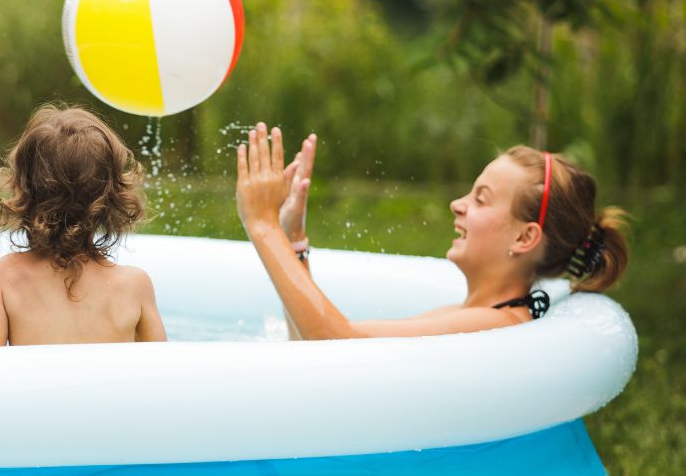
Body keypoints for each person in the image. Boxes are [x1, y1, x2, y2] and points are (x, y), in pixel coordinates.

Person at [235, 122, 629, 339]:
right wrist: (293, 240)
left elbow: (336, 345)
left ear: (524, 238)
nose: (457, 204)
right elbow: (316, 348)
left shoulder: (495, 324)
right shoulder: (470, 315)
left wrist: (262, 225)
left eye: (481, 199)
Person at [0, 104, 167, 346]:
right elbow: (162, 372)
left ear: (23, 189)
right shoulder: (134, 286)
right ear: (111, 199)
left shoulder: (8, 276)